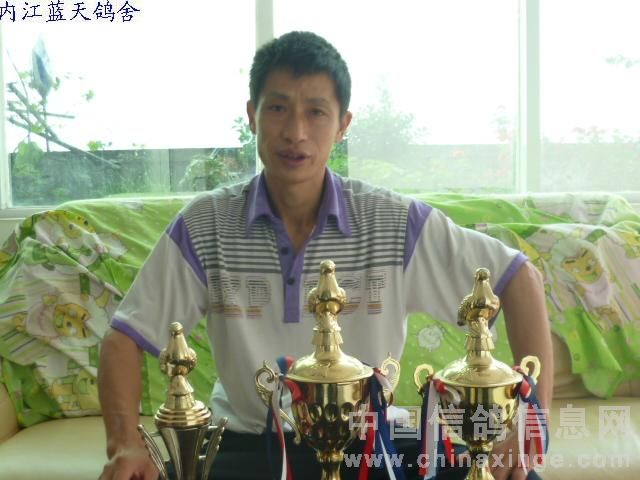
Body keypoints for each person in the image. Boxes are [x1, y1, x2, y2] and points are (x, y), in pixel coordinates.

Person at [98, 31, 553, 480]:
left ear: (342, 125)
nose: (295, 132)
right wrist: (125, 445)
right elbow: (125, 337)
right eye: (278, 108)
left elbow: (517, 278)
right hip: (250, 442)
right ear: (253, 116)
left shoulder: (394, 224)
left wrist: (531, 425)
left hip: (373, 444)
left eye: (316, 112)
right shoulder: (206, 225)